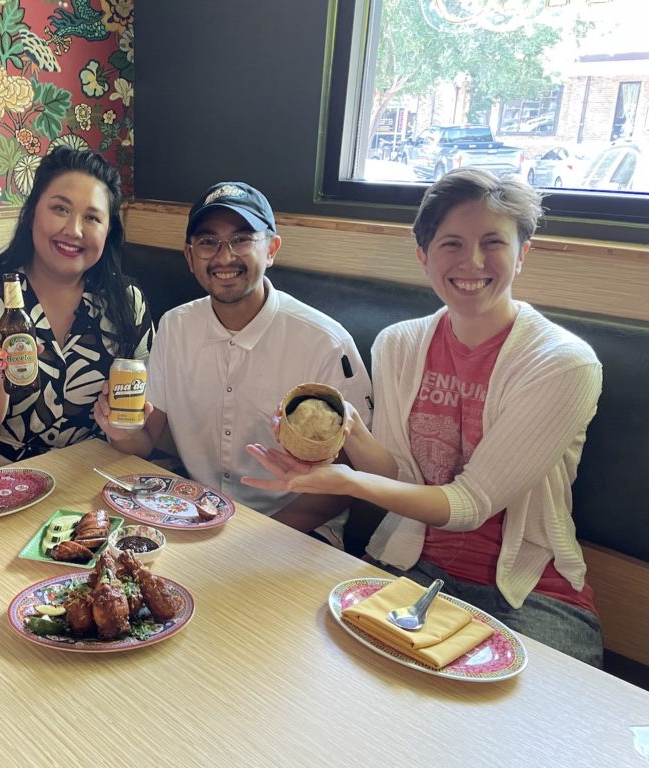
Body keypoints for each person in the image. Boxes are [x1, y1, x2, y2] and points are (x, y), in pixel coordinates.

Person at [244, 168, 603, 666]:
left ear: (522, 253)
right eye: (451, 243)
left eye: (493, 242)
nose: (472, 261)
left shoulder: (562, 362)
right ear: (424, 257)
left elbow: (470, 504)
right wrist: (354, 432)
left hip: (530, 597)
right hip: (408, 569)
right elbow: (400, 474)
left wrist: (346, 482)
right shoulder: (400, 343)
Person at [94, 182, 372, 546]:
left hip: (296, 531)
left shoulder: (324, 342)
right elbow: (146, 442)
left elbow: (349, 483)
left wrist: (246, 542)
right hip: (195, 515)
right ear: (190, 257)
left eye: (241, 239)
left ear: (271, 248)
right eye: (208, 243)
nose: (224, 257)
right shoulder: (175, 326)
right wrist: (123, 432)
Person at [0, 147, 154, 469]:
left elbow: (143, 445)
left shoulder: (128, 302)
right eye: (60, 209)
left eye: (92, 217)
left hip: (91, 481)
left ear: (109, 232)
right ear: (32, 212)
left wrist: (123, 432)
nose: (74, 230)